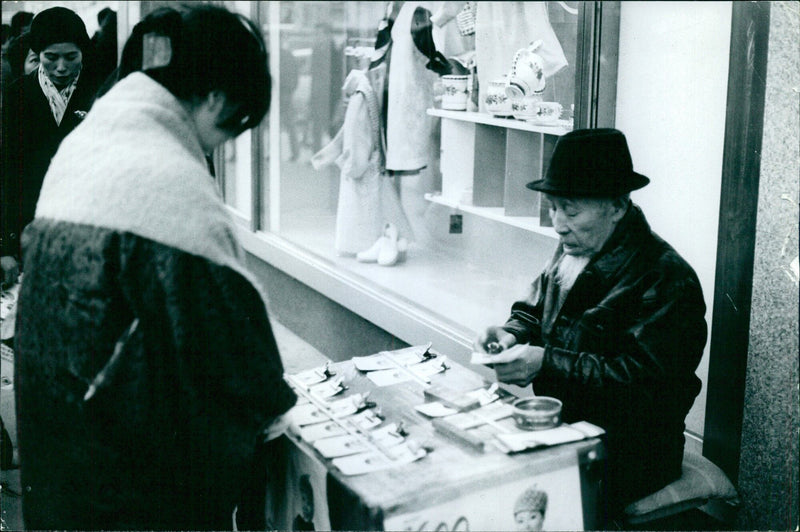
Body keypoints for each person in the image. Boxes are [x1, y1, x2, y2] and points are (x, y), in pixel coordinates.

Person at [13, 5, 296, 530]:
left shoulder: (85, 146)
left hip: (62, 468)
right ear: (214, 96)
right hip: (132, 493)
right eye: (229, 124)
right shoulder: (166, 180)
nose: (221, 143)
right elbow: (243, 367)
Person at [475, 128, 707, 520]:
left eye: (570, 210)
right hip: (563, 427)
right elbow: (533, 309)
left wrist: (545, 362)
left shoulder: (666, 278)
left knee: (507, 500)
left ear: (617, 206)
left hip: (632, 452)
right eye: (552, 207)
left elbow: (646, 384)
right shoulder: (575, 246)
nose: (558, 224)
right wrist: (512, 333)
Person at [1, 7, 100, 286]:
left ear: (83, 52)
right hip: (30, 224)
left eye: (71, 57)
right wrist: (6, 247)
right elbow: (8, 170)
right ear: (37, 54)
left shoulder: (98, 92)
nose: (61, 67)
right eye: (50, 58)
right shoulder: (18, 93)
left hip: (86, 225)